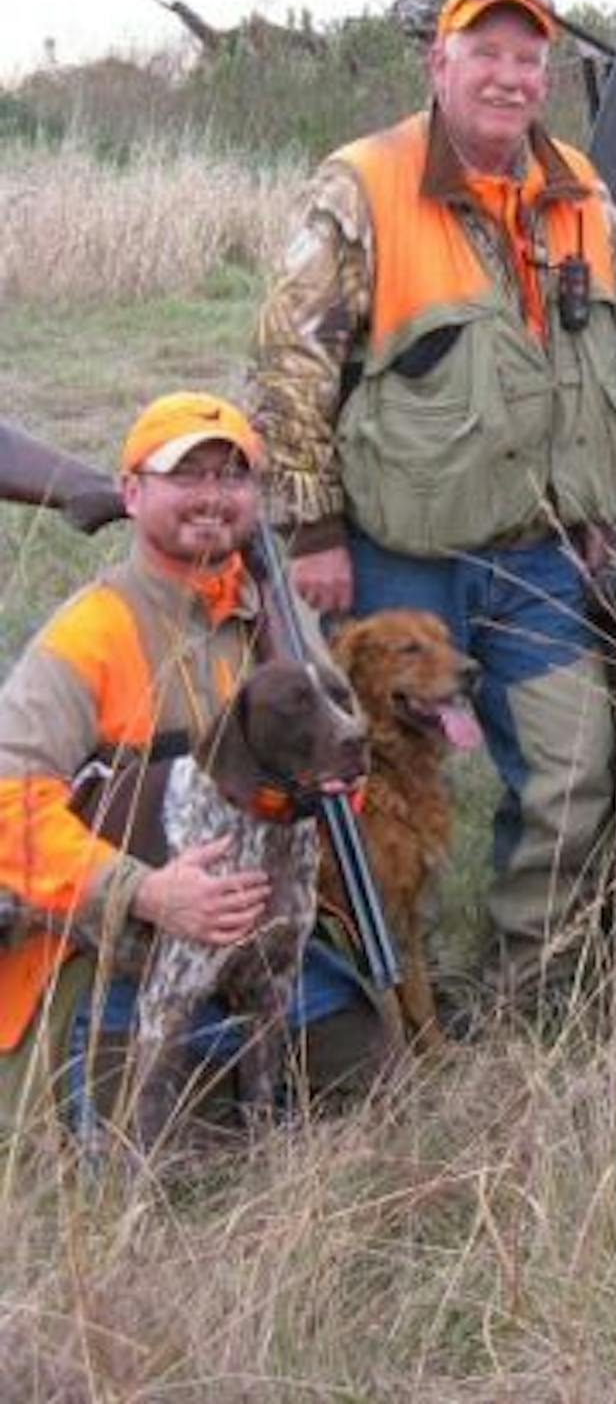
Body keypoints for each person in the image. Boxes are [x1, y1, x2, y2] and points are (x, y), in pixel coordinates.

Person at [248, 0, 616, 1005]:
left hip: (540, 552)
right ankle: (359, 999)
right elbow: (292, 364)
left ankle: (521, 988)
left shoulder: (582, 190)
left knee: (573, 770)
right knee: (363, 780)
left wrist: (594, 500)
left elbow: (592, 364)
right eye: (486, 54)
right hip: (399, 551)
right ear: (440, 63)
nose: (508, 77)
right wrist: (314, 526)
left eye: (526, 58)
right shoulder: (363, 182)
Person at [0, 393, 390, 1134]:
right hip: (111, 951)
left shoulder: (278, 620)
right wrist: (143, 893)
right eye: (187, 475)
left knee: (367, 1076)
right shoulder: (91, 631)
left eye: (233, 477)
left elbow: (339, 781)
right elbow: (7, 806)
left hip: (258, 941)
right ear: (129, 493)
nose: (212, 497)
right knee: (163, 1136)